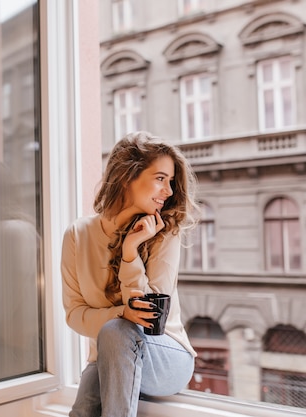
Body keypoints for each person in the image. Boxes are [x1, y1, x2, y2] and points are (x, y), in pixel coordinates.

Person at [61, 131, 199, 417]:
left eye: (171, 181)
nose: (169, 191)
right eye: (161, 178)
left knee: (115, 331)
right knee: (83, 409)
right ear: (127, 176)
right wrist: (122, 313)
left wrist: (130, 252)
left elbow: (150, 318)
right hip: (106, 358)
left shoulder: (164, 231)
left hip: (165, 357)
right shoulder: (77, 235)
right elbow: (74, 314)